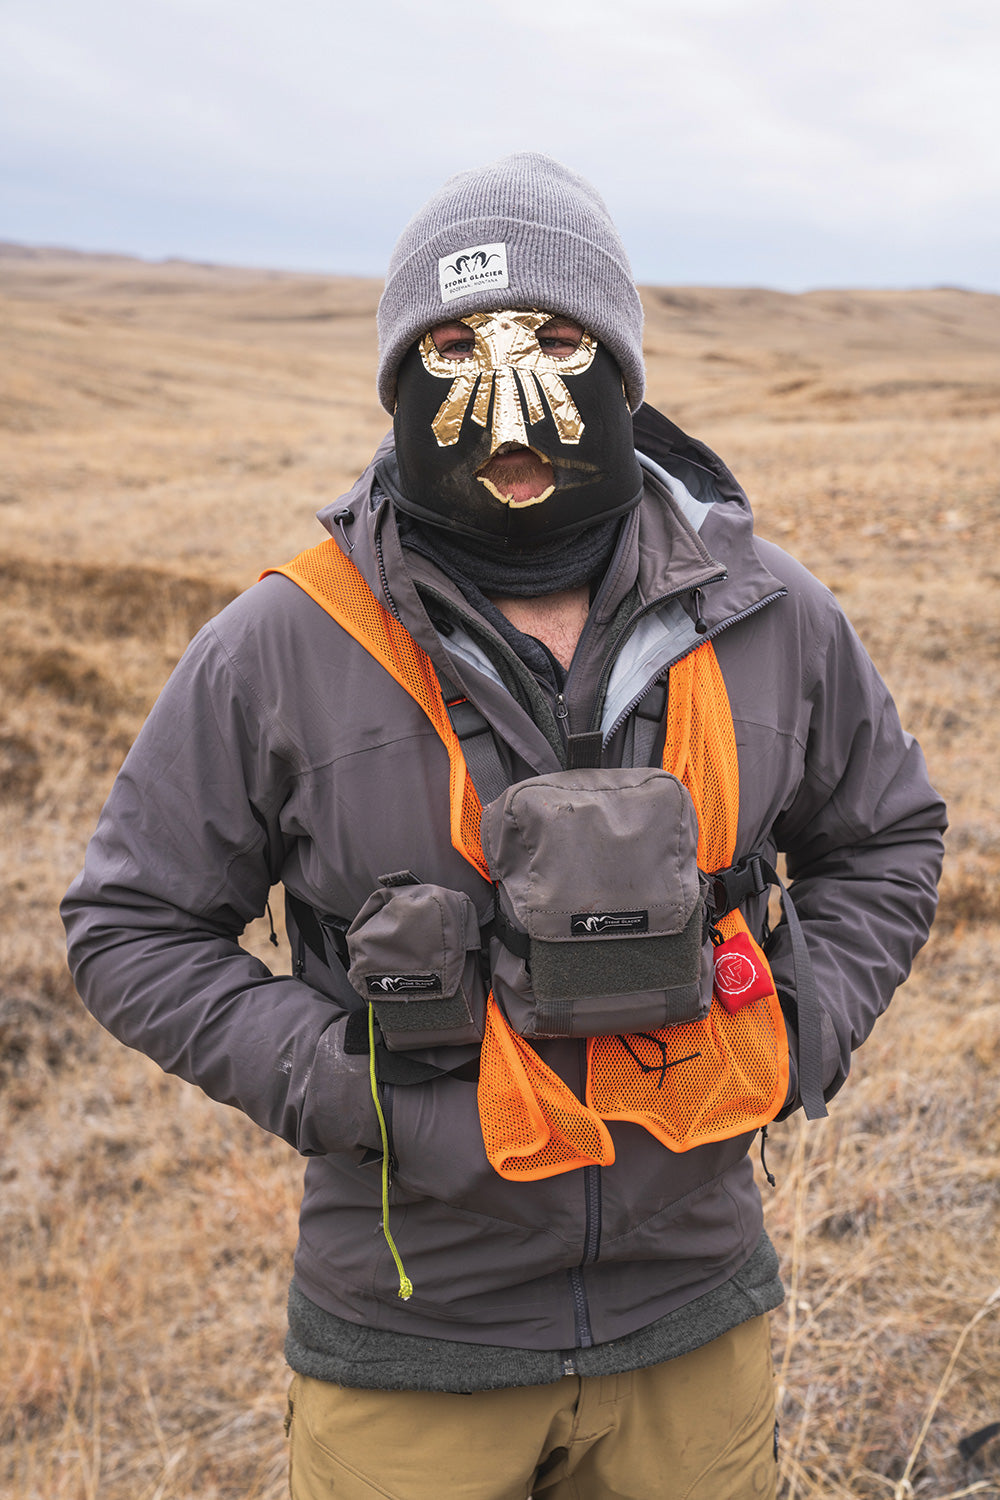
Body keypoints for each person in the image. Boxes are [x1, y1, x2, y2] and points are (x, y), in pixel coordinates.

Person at [62, 153, 946, 1500]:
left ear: (625, 370)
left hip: (693, 1307)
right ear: (401, 375)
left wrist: (795, 1025)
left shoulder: (771, 616)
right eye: (456, 347)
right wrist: (347, 1088)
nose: (508, 395)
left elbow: (885, 837)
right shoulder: (282, 643)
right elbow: (130, 924)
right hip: (409, 1333)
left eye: (555, 342)